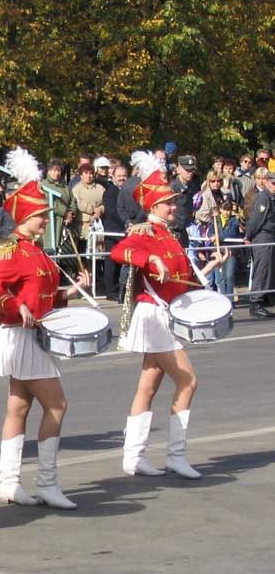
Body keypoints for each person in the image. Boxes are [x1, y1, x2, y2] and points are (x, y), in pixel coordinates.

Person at [111, 151, 230, 480]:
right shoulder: (145, 232)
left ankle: (133, 457)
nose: (174, 207)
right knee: (188, 381)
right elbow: (119, 252)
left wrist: (211, 265)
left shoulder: (172, 238)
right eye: (169, 204)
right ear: (153, 207)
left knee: (147, 386)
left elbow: (186, 281)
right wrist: (150, 262)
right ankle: (175, 456)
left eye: (175, 203)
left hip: (167, 315)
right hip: (154, 316)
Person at [0, 147, 88, 510]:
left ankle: (9, 483)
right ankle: (47, 482)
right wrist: (17, 306)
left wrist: (67, 293)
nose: (46, 220)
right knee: (57, 405)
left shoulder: (37, 251)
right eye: (41, 214)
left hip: (32, 335)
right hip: (20, 336)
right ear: (25, 215)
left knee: (19, 408)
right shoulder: (11, 249)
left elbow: (39, 295)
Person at [244, 169, 275, 318]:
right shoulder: (264, 198)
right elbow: (256, 219)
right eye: (273, 183)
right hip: (263, 236)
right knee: (262, 269)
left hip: (271, 236)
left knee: (269, 270)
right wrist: (248, 236)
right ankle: (256, 303)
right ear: (268, 182)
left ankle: (265, 299)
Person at [102, 165, 128, 300]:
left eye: (124, 176)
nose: (122, 179)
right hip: (113, 231)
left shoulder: (126, 191)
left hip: (123, 230)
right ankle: (110, 290)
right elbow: (113, 212)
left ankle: (119, 288)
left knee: (121, 261)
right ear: (113, 177)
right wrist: (126, 222)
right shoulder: (110, 192)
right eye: (119, 176)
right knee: (111, 262)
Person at [71, 163, 105, 249]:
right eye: (86, 173)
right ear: (81, 175)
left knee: (95, 253)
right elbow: (77, 203)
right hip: (81, 227)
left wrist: (101, 209)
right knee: (82, 252)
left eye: (91, 173)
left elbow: (106, 202)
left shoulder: (100, 188)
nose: (89, 176)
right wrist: (93, 209)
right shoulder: (76, 189)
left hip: (97, 226)